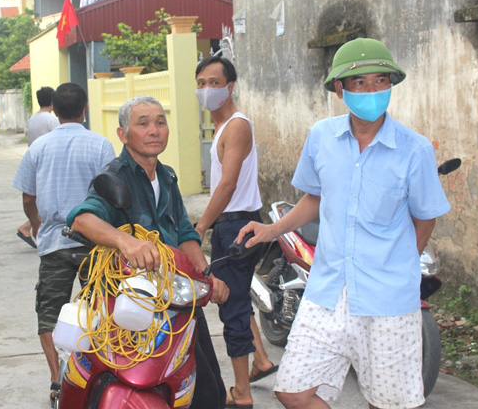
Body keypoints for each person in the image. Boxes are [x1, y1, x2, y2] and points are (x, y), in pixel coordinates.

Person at [237, 38, 452, 409]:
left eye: (380, 82)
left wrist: (398, 264)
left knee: (388, 403)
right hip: (328, 290)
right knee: (293, 391)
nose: (372, 91)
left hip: (387, 299)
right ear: (340, 89)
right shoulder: (322, 136)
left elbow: (425, 218)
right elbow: (315, 199)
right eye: (359, 83)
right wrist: (270, 230)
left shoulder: (414, 150)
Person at [66, 95, 230, 409]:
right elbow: (82, 218)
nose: (154, 130)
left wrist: (205, 274)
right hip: (132, 302)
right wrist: (127, 242)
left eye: (160, 122)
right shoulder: (115, 177)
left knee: (208, 392)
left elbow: (184, 232)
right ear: (123, 135)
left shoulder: (167, 176)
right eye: (143, 124)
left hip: (178, 299)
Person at [11, 83, 115, 404]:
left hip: (53, 244)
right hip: (94, 246)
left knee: (49, 314)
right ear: (85, 109)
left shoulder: (38, 148)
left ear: (53, 111)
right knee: (101, 311)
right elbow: (112, 195)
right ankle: (98, 373)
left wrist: (39, 225)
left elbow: (28, 197)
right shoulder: (101, 146)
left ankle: (57, 379)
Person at [193, 56, 276, 408]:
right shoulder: (224, 127)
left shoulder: (237, 125)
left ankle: (241, 393)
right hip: (234, 224)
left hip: (234, 225)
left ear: (230, 86)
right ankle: (260, 362)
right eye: (201, 82)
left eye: (215, 82)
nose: (207, 89)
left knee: (231, 306)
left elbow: (227, 185)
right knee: (238, 297)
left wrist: (199, 227)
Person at [16, 86, 61, 247]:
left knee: (38, 201)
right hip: (49, 164)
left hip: (34, 163)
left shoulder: (33, 118)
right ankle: (32, 228)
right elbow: (59, 141)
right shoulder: (52, 120)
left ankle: (27, 227)